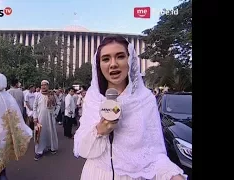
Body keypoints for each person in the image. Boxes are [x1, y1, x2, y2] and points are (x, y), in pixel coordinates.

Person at [73, 36, 186, 180]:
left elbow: (155, 153)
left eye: (120, 57)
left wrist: (172, 175)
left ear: (130, 60)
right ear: (99, 65)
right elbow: (82, 148)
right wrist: (100, 130)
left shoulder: (146, 100)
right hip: (97, 174)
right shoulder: (93, 98)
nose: (113, 64)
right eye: (106, 59)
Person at [33, 80, 59, 161]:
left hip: (50, 118)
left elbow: (58, 104)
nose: (43, 87)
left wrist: (55, 113)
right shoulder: (38, 95)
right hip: (41, 118)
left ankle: (51, 147)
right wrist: (35, 117)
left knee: (51, 132)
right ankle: (39, 151)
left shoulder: (52, 94)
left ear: (48, 86)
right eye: (42, 85)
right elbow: (34, 107)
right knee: (40, 134)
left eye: (45, 85)